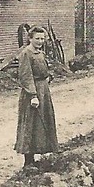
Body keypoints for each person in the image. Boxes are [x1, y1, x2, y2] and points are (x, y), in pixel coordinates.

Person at [16, 27, 59, 167]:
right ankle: (28, 161)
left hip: (43, 90)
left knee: (43, 122)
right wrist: (33, 95)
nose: (40, 41)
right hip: (32, 93)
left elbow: (44, 69)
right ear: (30, 38)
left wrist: (48, 77)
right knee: (31, 124)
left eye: (42, 38)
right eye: (37, 38)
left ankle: (41, 152)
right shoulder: (26, 53)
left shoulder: (40, 53)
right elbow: (25, 76)